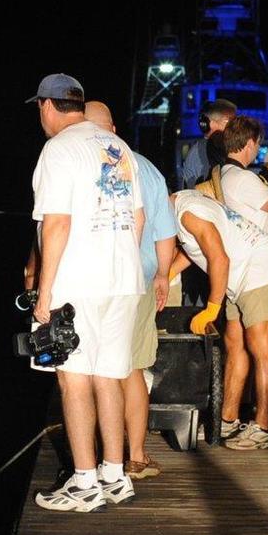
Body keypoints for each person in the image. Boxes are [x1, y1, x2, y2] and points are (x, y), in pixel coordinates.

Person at [26, 73, 146, 512]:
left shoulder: (58, 149)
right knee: (110, 374)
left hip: (77, 283)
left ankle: (83, 482)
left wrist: (45, 292)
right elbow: (137, 218)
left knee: (72, 378)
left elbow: (56, 224)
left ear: (47, 106)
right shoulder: (118, 148)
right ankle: (114, 475)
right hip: (123, 279)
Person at [88, 101, 178, 479]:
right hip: (137, 280)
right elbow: (164, 231)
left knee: (93, 368)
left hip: (92, 280)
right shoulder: (147, 168)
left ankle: (96, 458)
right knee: (132, 367)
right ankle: (136, 456)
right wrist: (162, 274)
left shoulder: (77, 162)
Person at [175, 177, 268, 448]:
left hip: (261, 270)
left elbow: (219, 258)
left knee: (260, 345)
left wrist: (211, 309)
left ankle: (263, 427)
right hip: (239, 277)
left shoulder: (188, 213)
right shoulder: (186, 204)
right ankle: (226, 420)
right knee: (234, 344)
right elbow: (195, 249)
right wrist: (164, 276)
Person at [205, 124, 268, 448]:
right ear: (251, 143)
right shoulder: (244, 179)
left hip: (242, 273)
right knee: (261, 348)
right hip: (258, 271)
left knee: (239, 346)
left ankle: (229, 420)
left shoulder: (222, 175)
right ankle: (262, 427)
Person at [177, 98, 237, 187]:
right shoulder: (203, 150)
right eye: (229, 121)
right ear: (212, 124)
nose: (234, 126)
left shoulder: (205, 148)